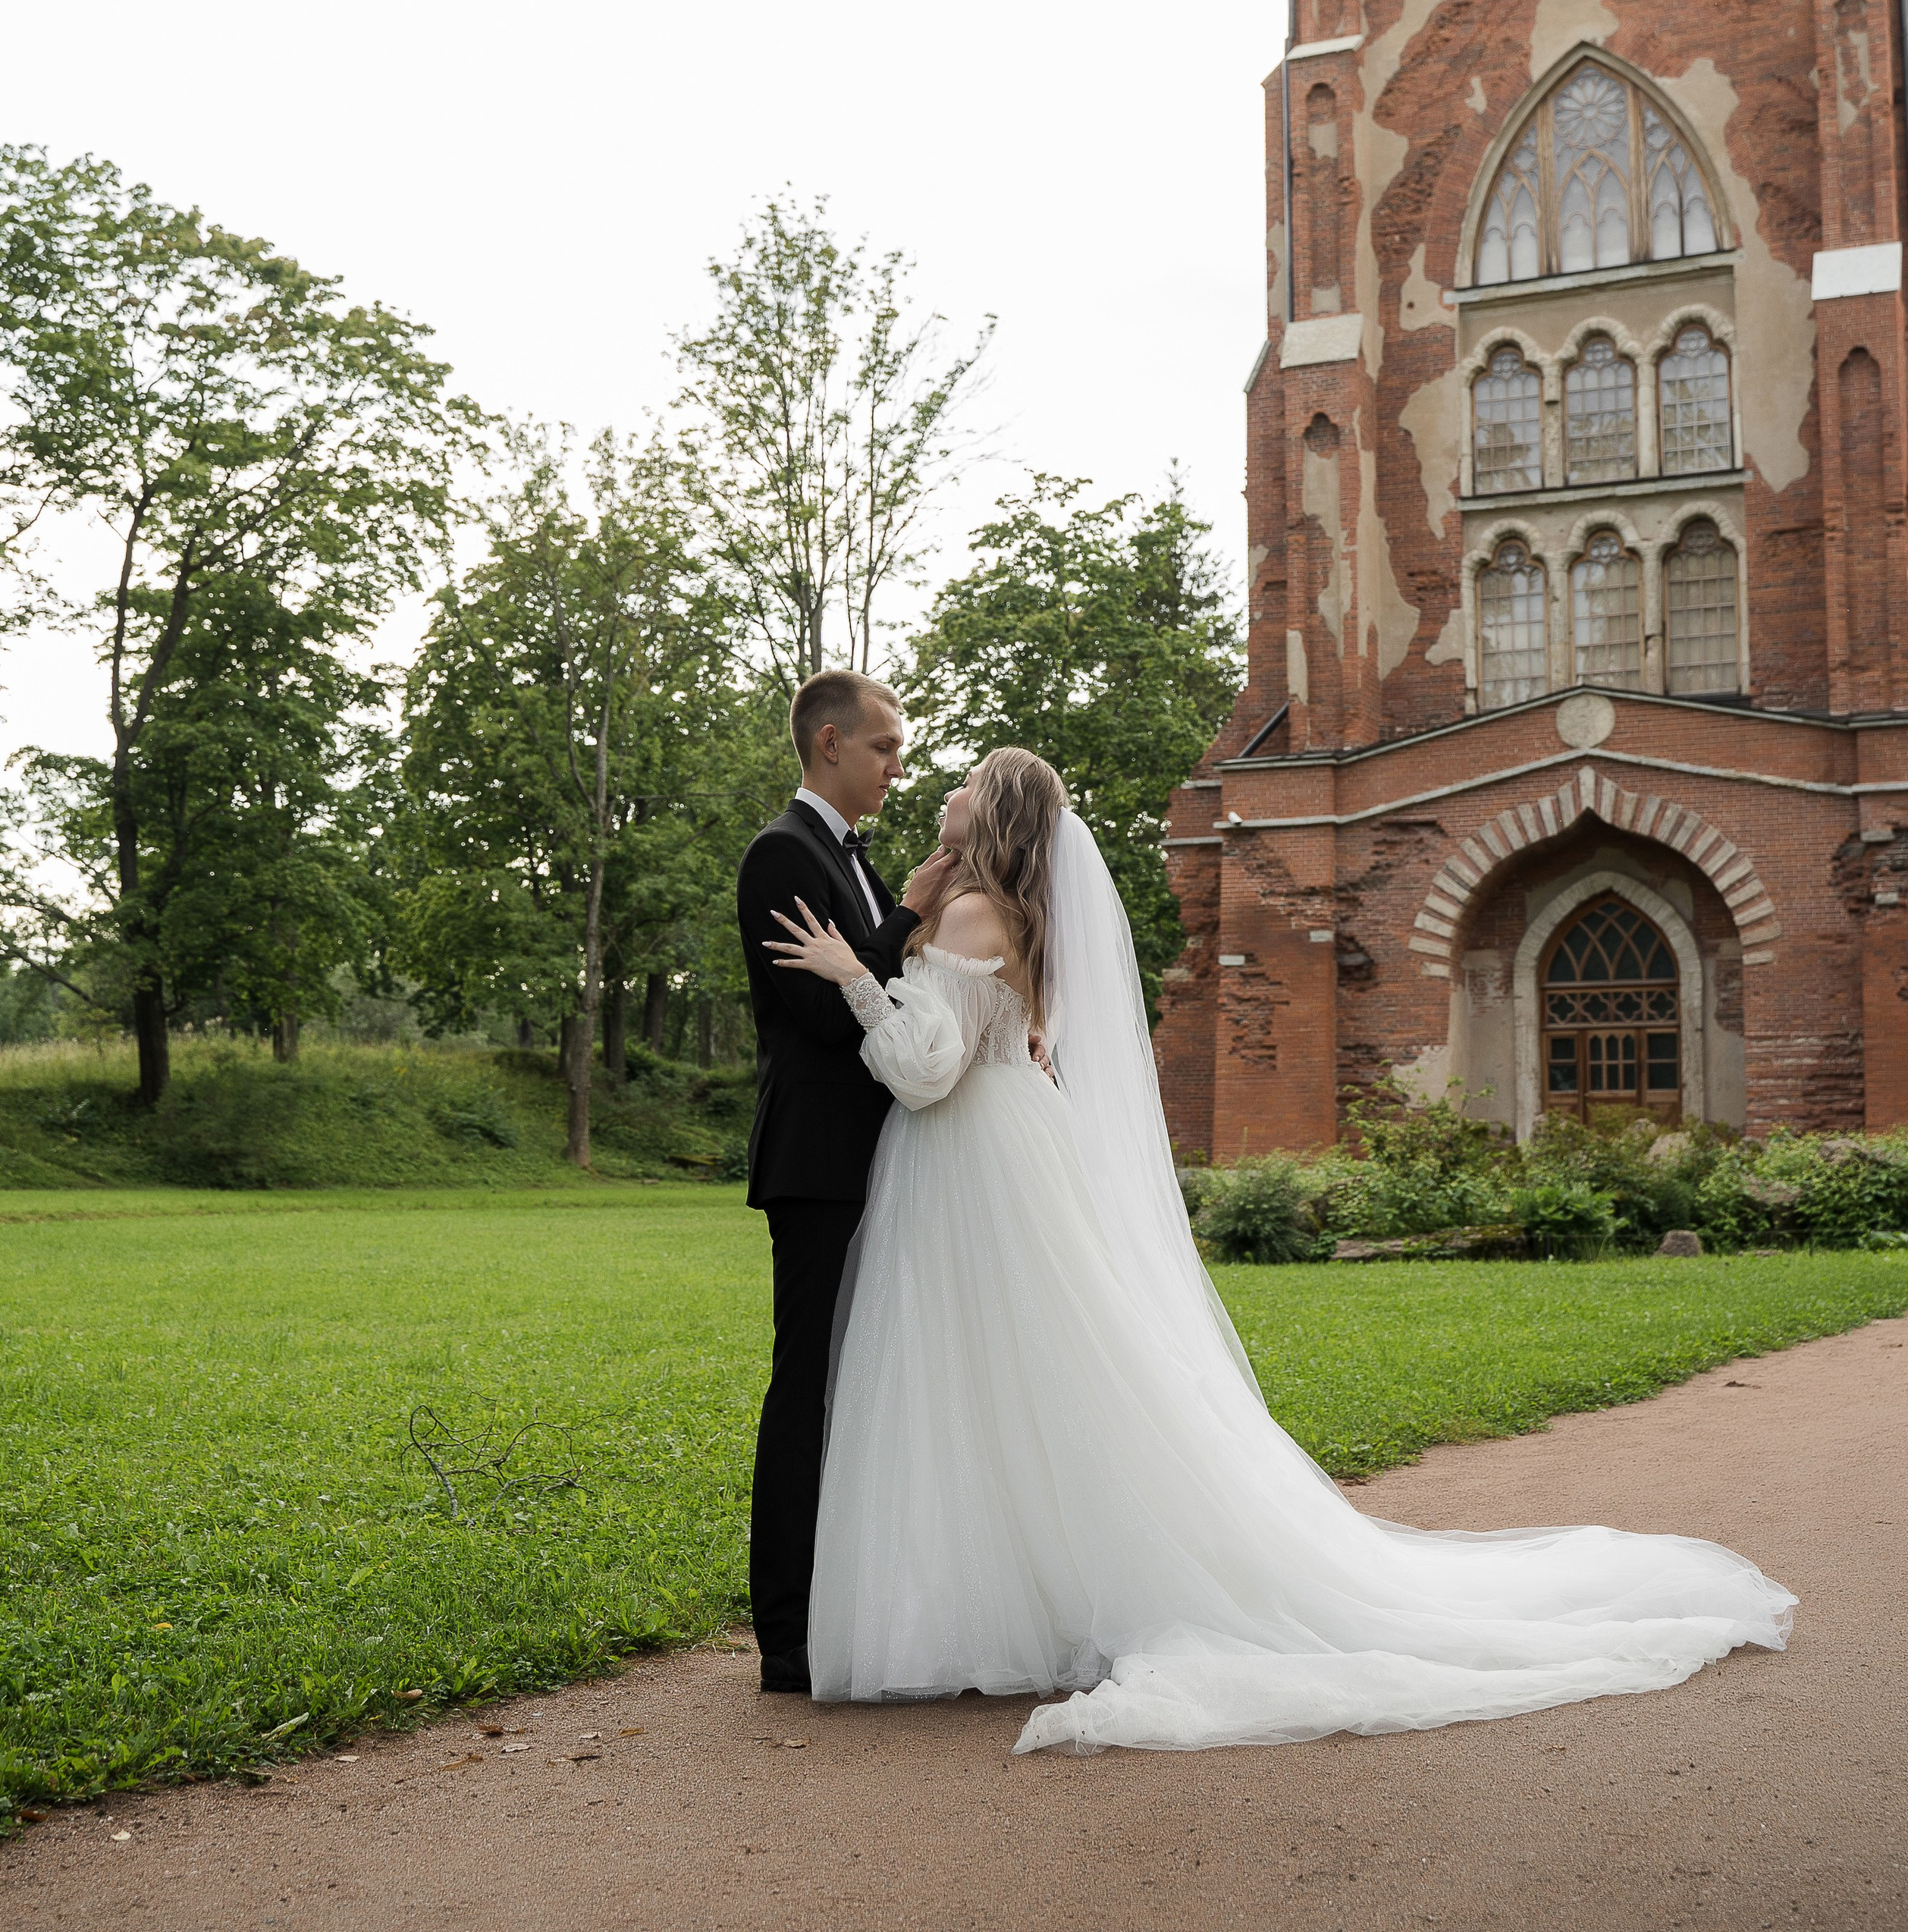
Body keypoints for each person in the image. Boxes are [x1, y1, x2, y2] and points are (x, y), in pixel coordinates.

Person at [765, 745, 1796, 1754]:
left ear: (989, 813)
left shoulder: (976, 912)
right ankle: (1009, 1603)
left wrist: (856, 974)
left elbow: (922, 1071)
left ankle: (984, 1610)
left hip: (968, 1160)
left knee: (977, 1382)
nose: (943, 787)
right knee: (1020, 1384)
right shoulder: (1006, 913)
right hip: (999, 1154)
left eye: (967, 779)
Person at [735, 669, 954, 1696]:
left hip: (881, 1152)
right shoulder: (782, 855)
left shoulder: (854, 860)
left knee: (870, 1384)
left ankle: (860, 1604)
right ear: (830, 743)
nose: (896, 767)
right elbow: (822, 1020)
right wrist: (906, 915)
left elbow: (880, 994)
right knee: (809, 1386)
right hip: (818, 1162)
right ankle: (786, 1635)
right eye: (884, 749)